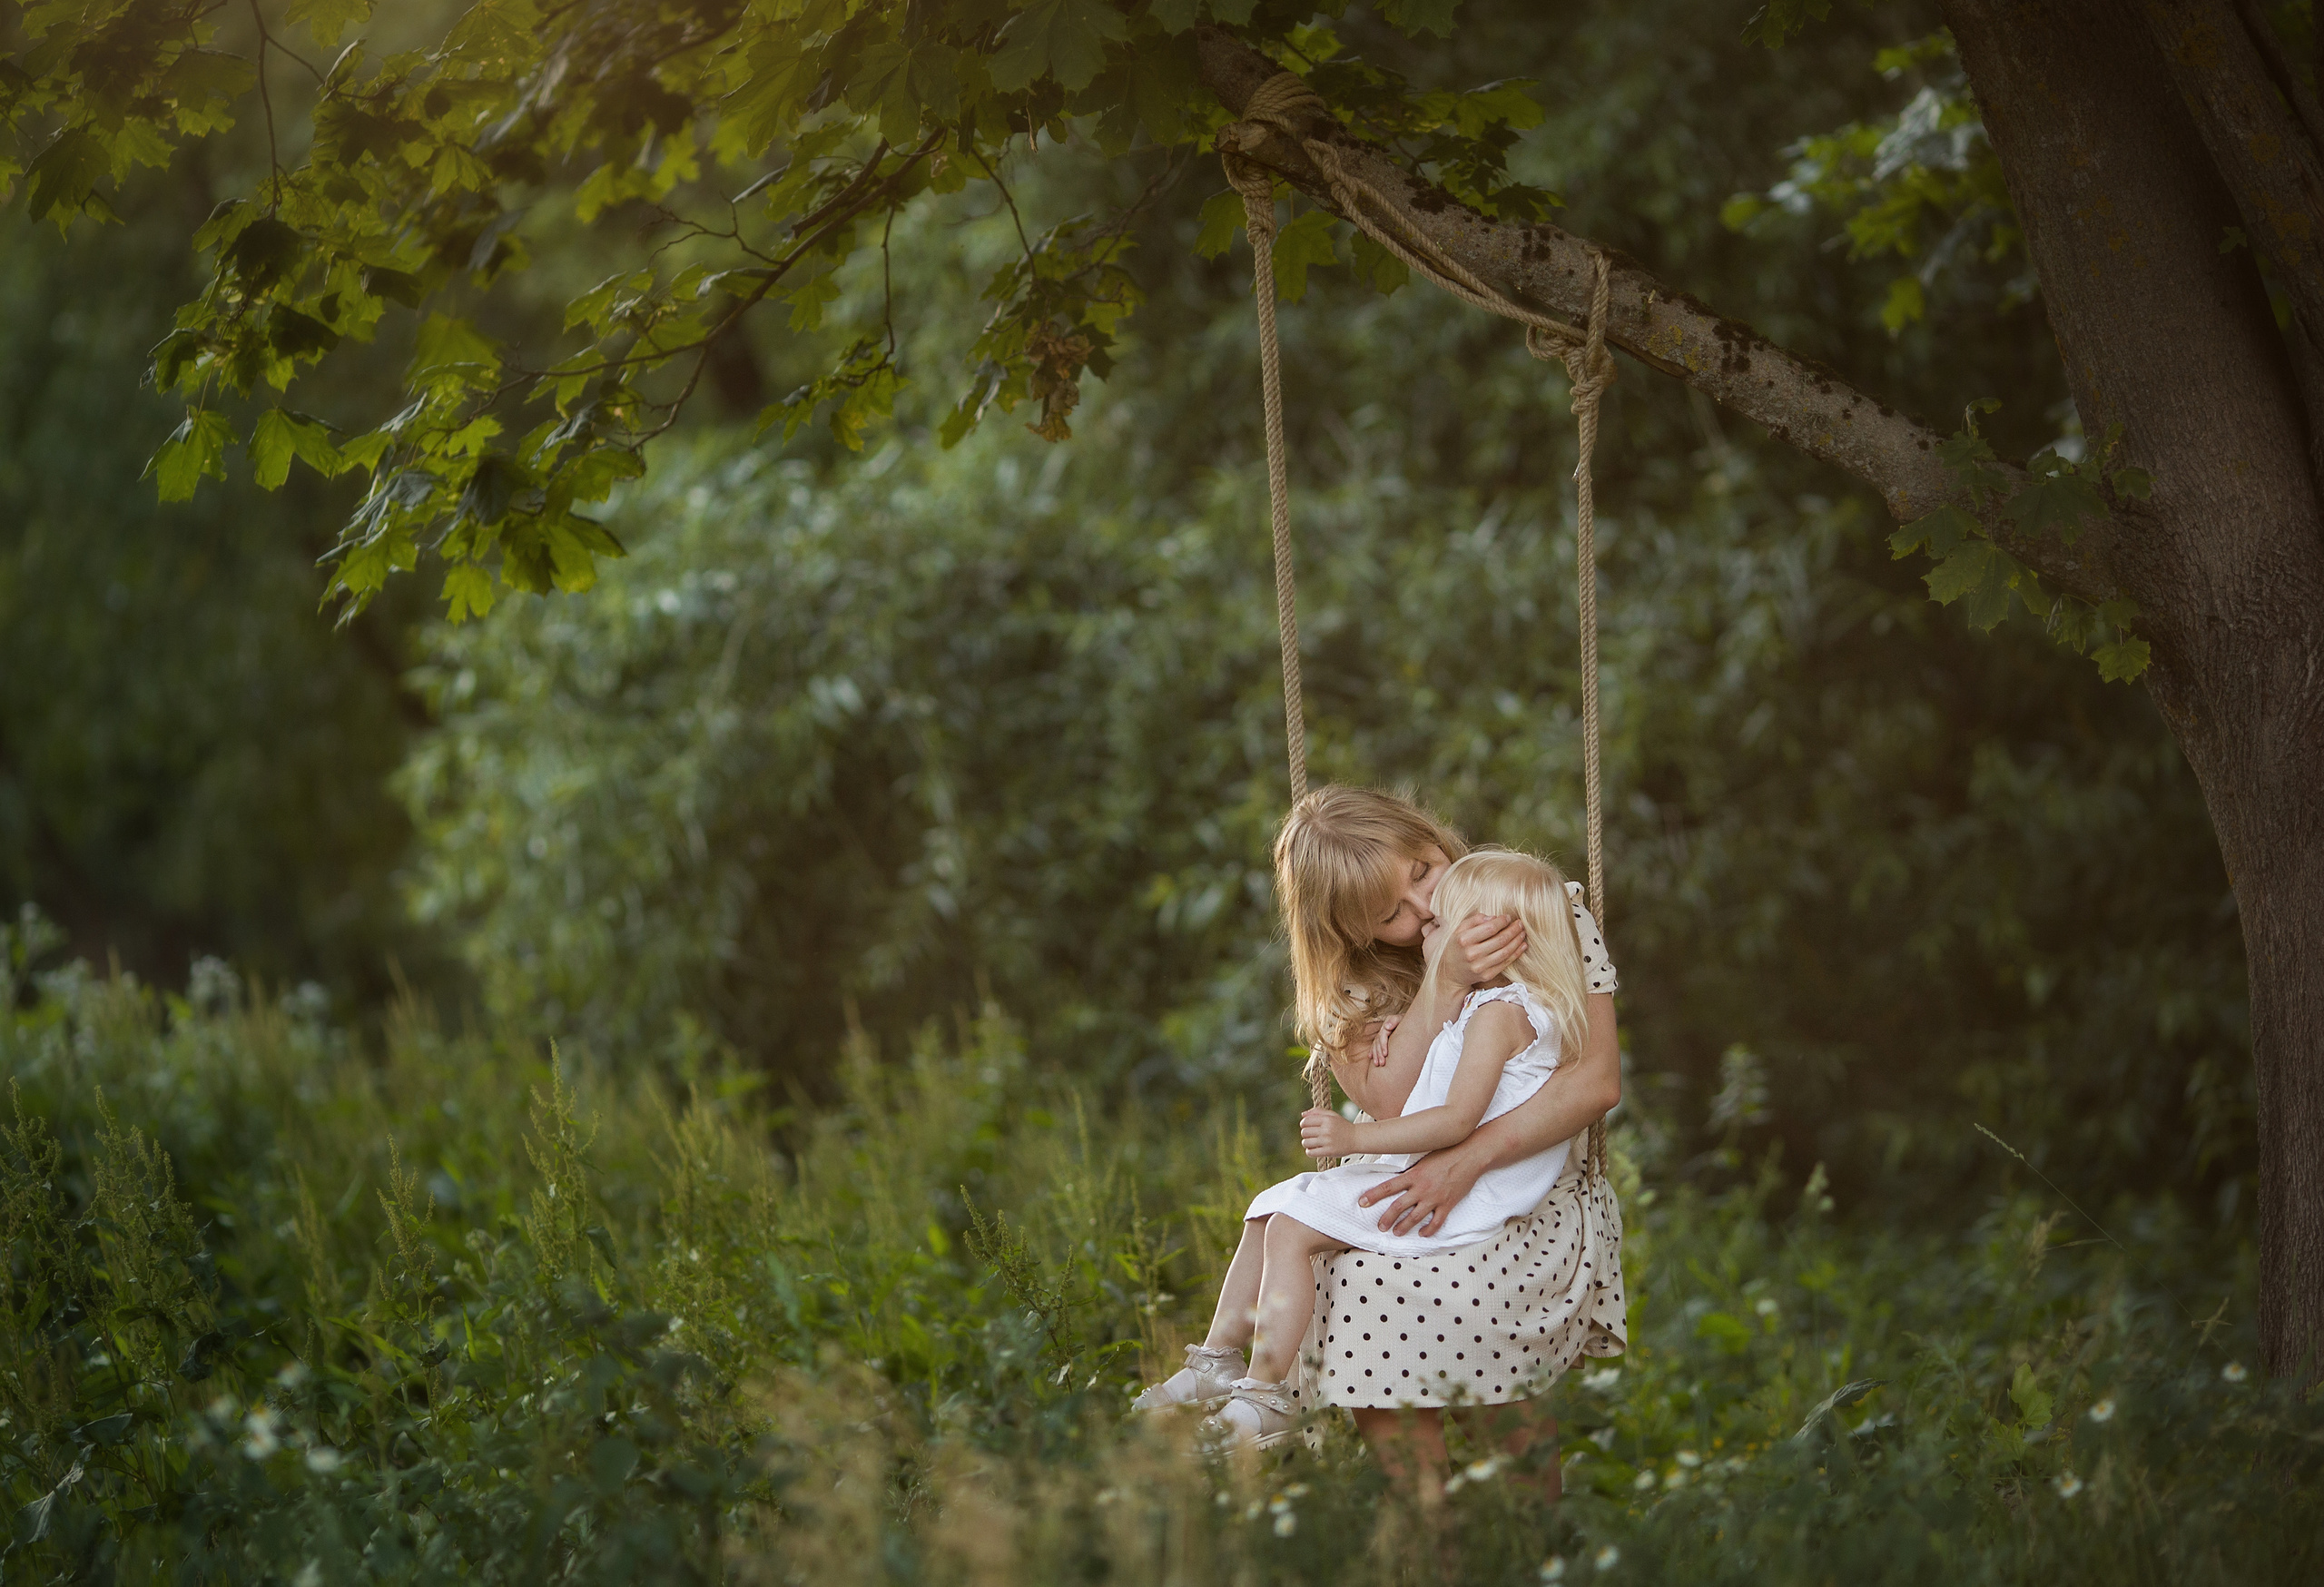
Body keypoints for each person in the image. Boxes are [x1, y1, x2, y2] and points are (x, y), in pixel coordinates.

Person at [1136, 787, 1626, 1490]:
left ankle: (1529, 1530)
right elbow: (1393, 1101)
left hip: (1522, 1192)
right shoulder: (1351, 986)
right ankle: (1425, 1536)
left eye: (1424, 871)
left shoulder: (1533, 905)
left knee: (1461, 1346)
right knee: (1344, 1271)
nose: (1426, 909)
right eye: (1391, 913)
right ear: (1352, 932)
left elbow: (1595, 1081)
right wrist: (1444, 981)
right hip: (1402, 1182)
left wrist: (1464, 1162)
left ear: (1431, 836)